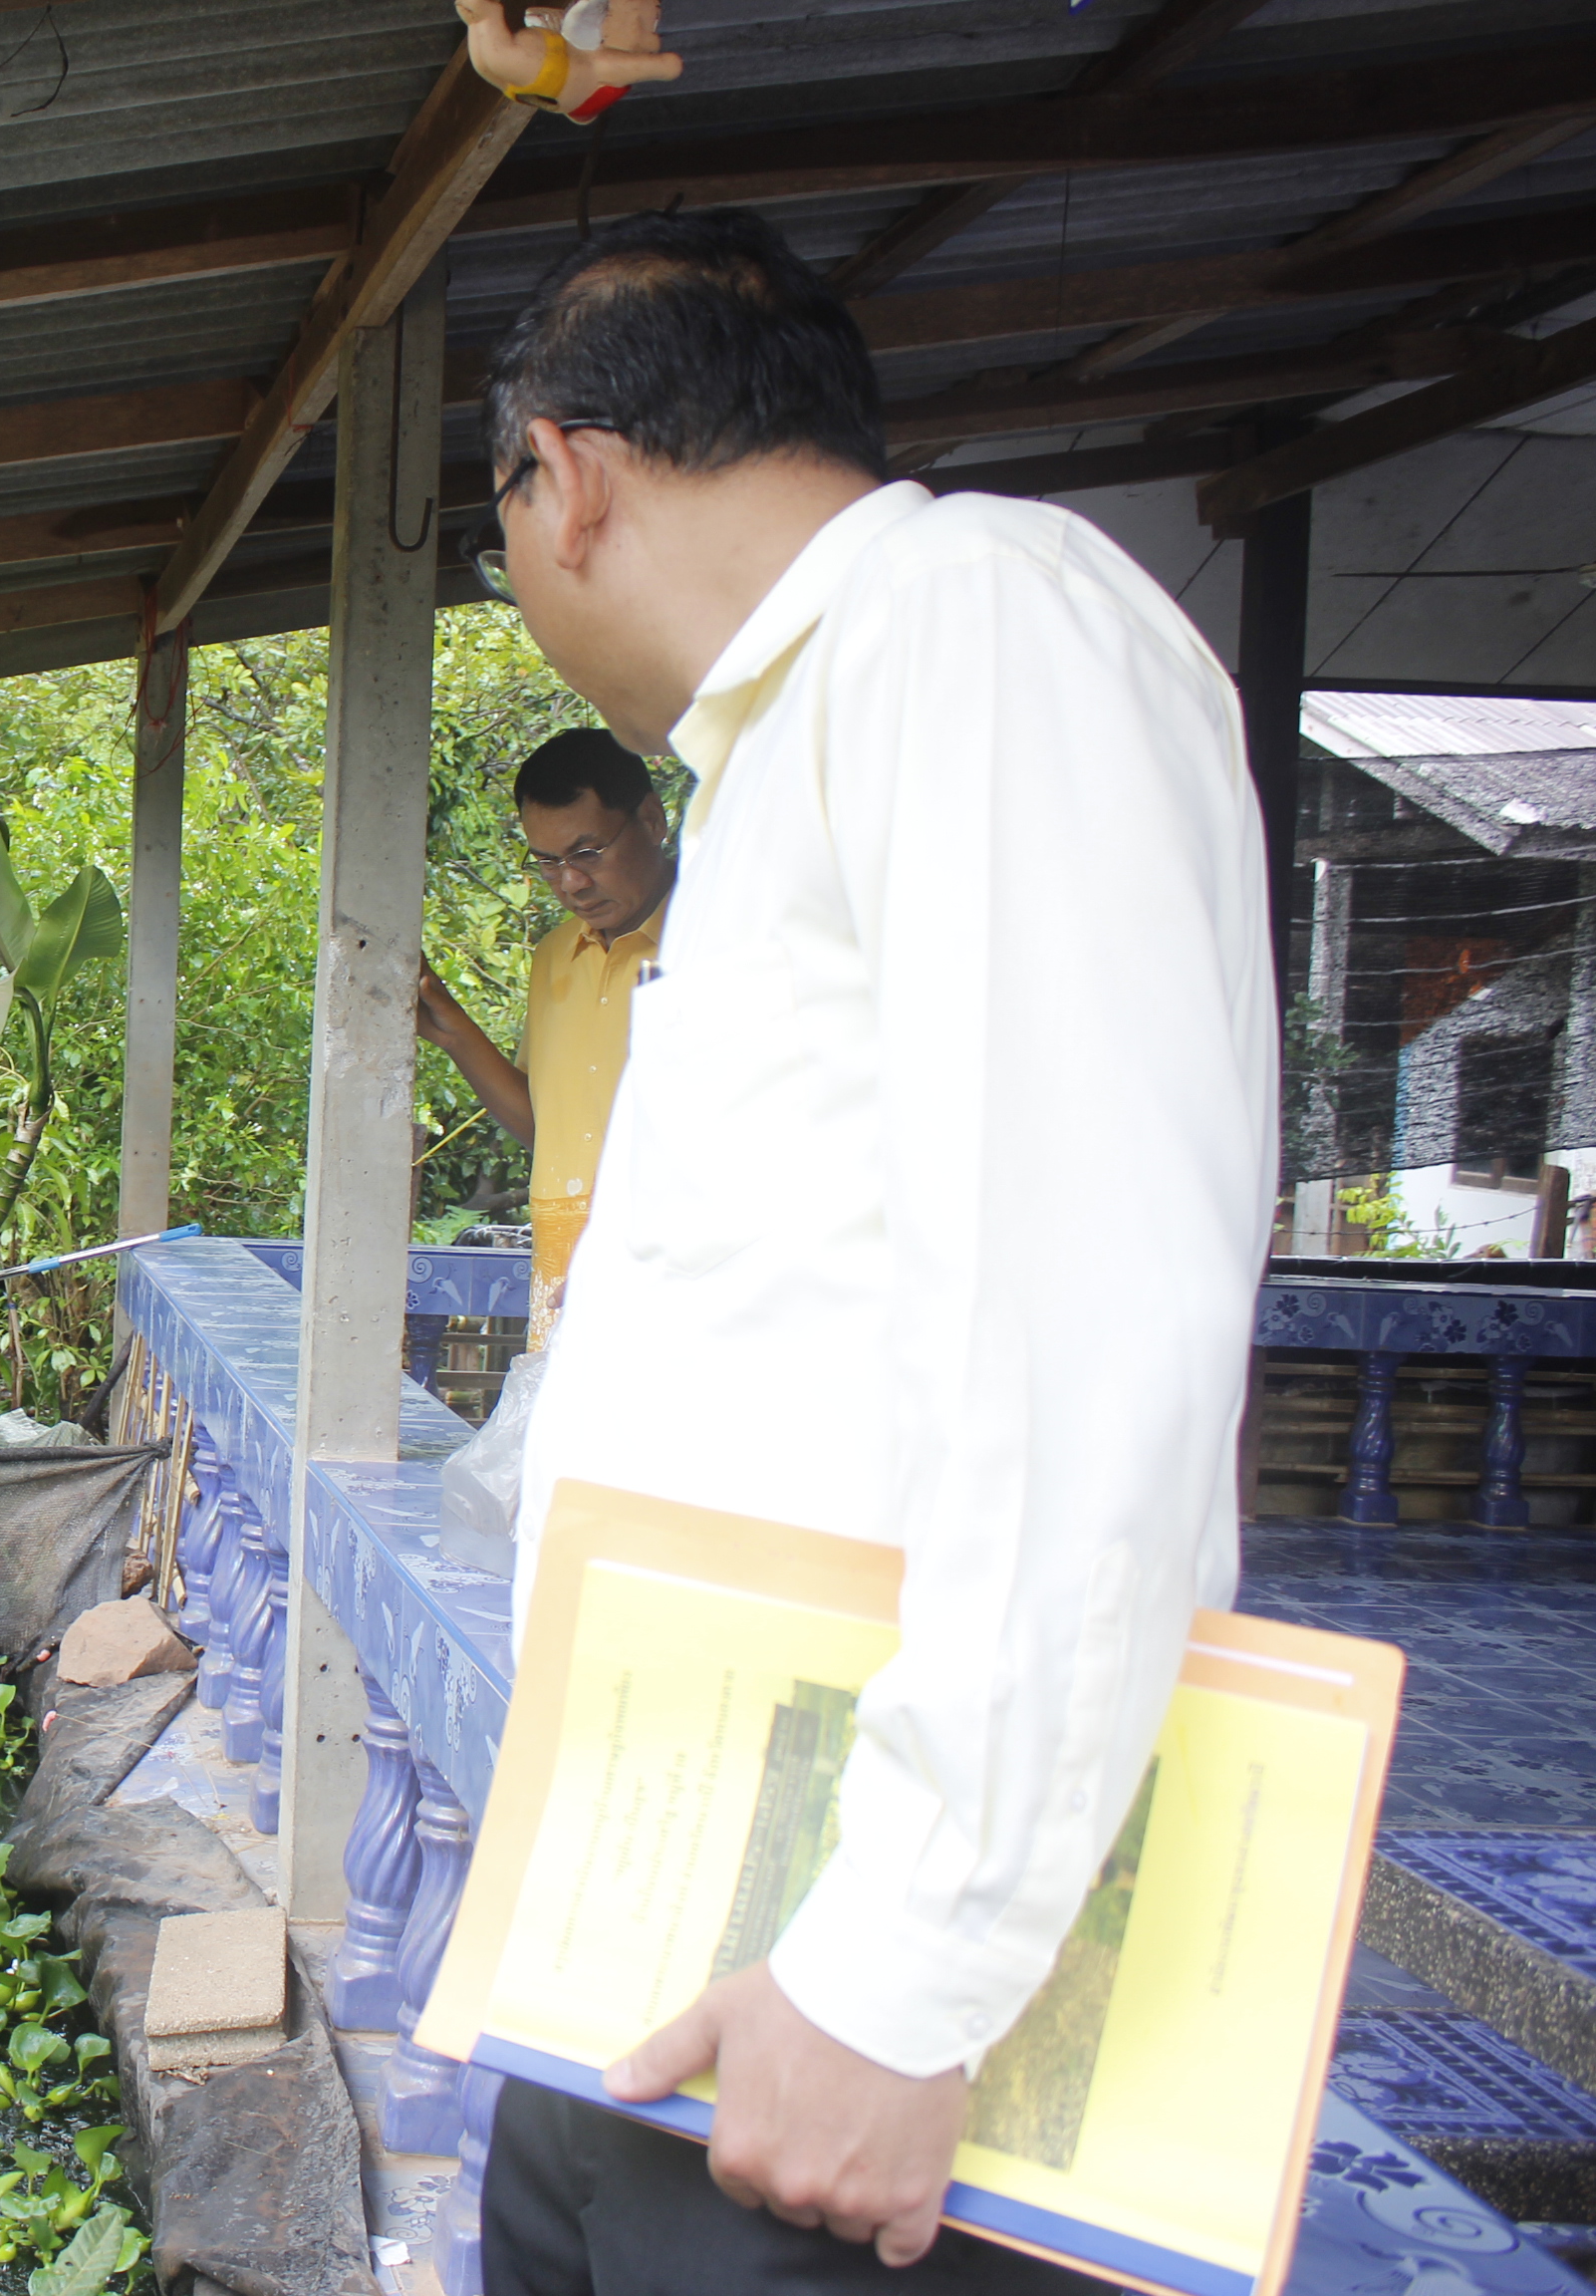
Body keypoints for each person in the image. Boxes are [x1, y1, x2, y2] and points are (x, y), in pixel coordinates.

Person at [469, 210, 1274, 2292]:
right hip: (685, 1956)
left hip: (851, 2010)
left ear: (564, 480)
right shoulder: (794, 747)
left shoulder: (975, 625)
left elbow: (1087, 1331)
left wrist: (910, 1968)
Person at [416, 727, 674, 1324]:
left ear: (652, 820)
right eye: (548, 861)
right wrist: (451, 1028)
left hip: (679, 1272)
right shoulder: (556, 955)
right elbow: (547, 1130)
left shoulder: (724, 940)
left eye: (588, 853)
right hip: (564, 1266)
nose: (571, 883)